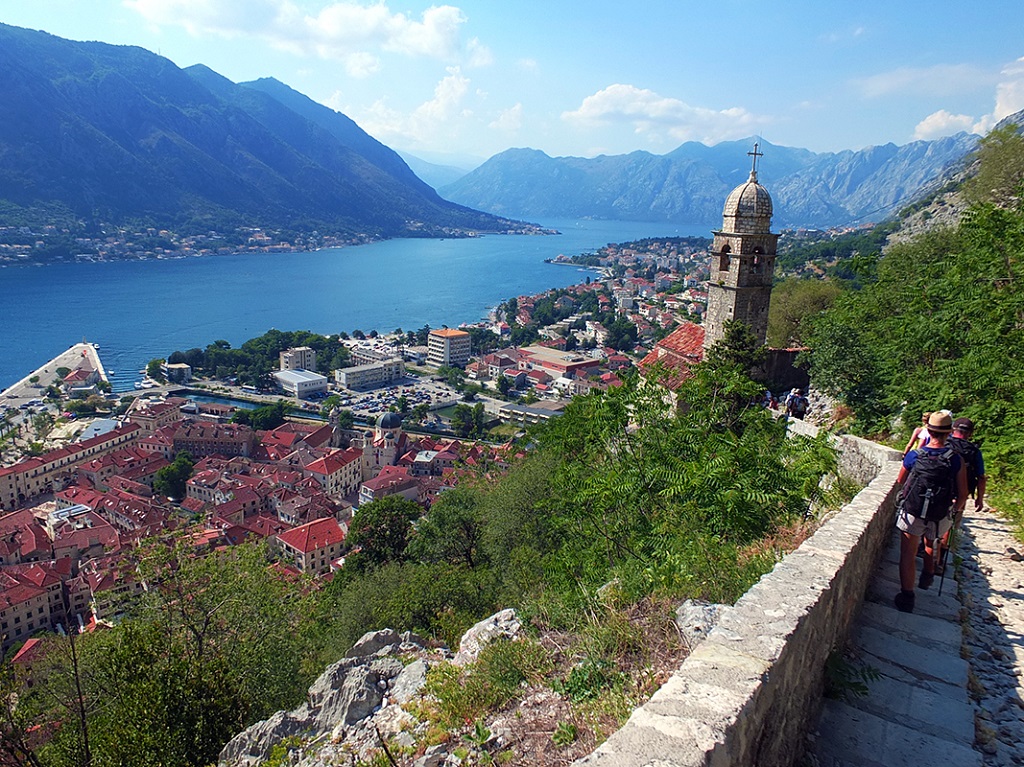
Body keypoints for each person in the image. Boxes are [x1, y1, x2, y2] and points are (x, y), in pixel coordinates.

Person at [894, 411, 967, 613]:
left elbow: (901, 481)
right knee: (931, 542)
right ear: (948, 433)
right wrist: (953, 511)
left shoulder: (915, 455)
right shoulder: (955, 460)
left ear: (929, 431)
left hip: (913, 510)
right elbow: (963, 493)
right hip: (940, 513)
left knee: (908, 554)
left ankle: (907, 598)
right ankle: (928, 573)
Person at [947, 417, 986, 513]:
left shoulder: (943, 444)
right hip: (961, 492)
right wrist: (980, 498)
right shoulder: (974, 451)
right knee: (954, 518)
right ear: (971, 433)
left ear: (952, 429)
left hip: (939, 490)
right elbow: (981, 477)